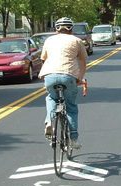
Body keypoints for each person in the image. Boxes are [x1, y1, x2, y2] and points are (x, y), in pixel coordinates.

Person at [39, 17, 87, 149]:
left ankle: (49, 121)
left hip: (49, 74)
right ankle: (73, 139)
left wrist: (47, 75)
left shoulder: (49, 40)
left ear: (56, 28)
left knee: (51, 98)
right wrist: (80, 78)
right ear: (71, 28)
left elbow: (43, 59)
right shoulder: (77, 41)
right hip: (68, 75)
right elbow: (83, 62)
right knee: (71, 107)